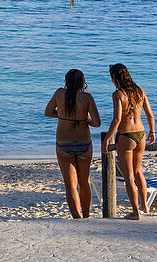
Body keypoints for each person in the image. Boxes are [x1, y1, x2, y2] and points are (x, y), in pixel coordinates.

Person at [45, 68, 101, 218]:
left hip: (64, 143)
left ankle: (76, 217)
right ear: (83, 82)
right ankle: (87, 215)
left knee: (70, 185)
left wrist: (62, 115)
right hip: (83, 143)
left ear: (66, 81)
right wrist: (84, 119)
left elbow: (48, 112)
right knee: (85, 182)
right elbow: (97, 123)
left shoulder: (59, 93)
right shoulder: (87, 97)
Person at [104, 63, 155, 220]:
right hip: (141, 133)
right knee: (138, 171)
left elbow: (117, 119)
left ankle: (135, 212)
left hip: (126, 136)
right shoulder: (140, 91)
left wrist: (107, 138)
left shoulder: (118, 94)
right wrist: (152, 131)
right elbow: (150, 114)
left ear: (115, 77)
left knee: (128, 176)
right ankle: (144, 206)